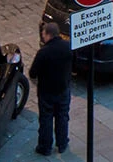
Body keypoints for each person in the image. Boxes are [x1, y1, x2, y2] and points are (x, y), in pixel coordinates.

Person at [29, 19, 72, 155]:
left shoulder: (44, 52)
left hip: (47, 91)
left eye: (43, 33)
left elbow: (33, 73)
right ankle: (62, 143)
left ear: (48, 35)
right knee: (62, 116)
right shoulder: (68, 47)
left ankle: (45, 147)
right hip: (63, 88)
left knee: (46, 119)